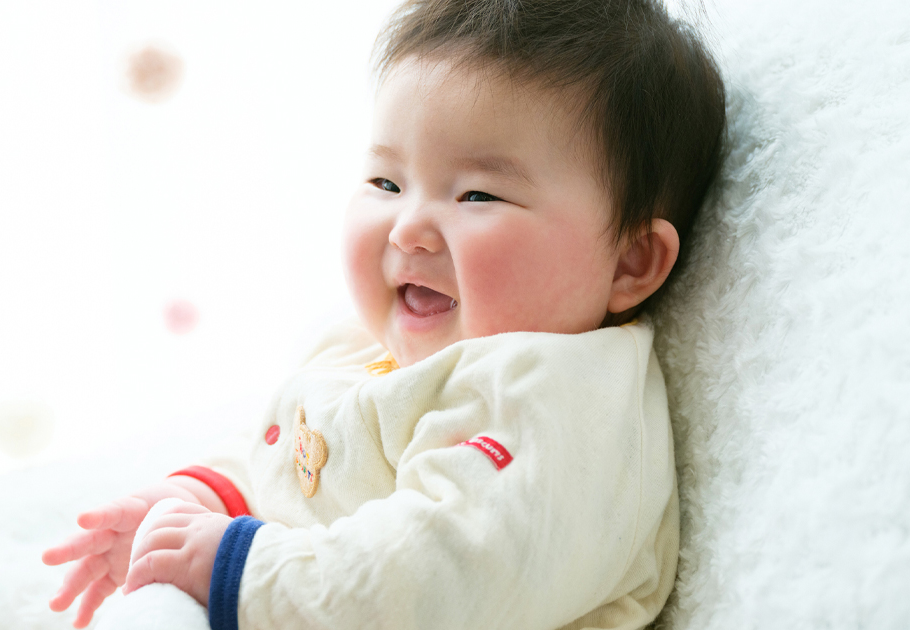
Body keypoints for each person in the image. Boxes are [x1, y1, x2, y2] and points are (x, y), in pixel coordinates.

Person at [43, 0, 726, 627]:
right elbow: (299, 462)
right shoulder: (367, 347)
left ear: (629, 262)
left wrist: (234, 566)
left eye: (478, 195)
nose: (408, 228)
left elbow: (434, 574)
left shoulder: (555, 399)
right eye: (386, 182)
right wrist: (197, 502)